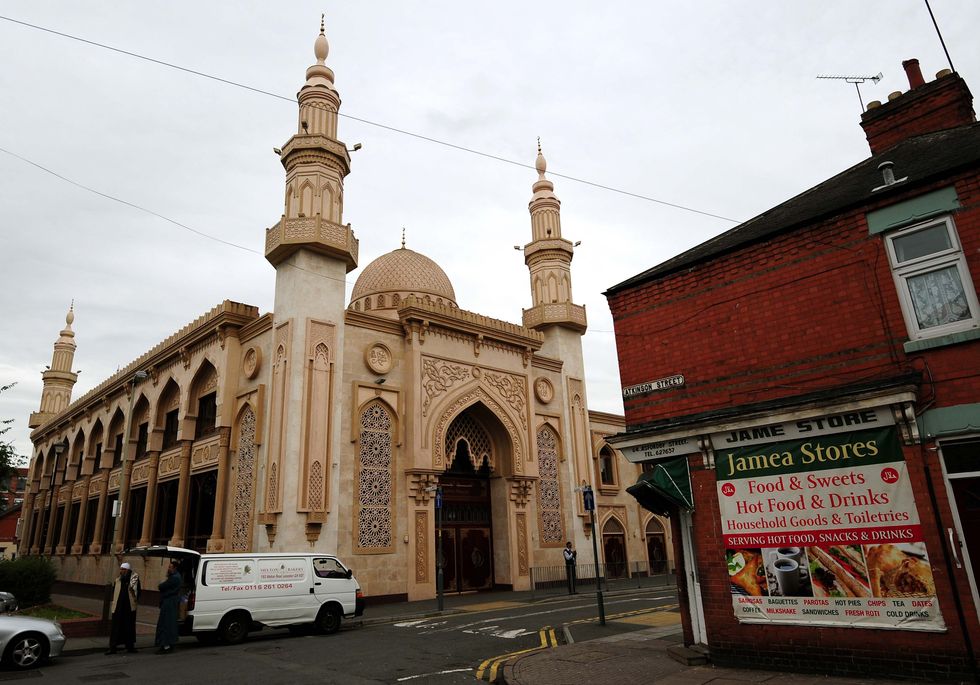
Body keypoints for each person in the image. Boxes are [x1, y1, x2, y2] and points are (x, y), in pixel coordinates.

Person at [106, 562, 140, 655]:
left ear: (128, 570)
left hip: (129, 608)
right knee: (116, 627)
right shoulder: (117, 580)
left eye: (123, 569)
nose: (121, 571)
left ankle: (130, 646)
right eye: (121, 569)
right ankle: (113, 648)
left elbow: (137, 591)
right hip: (118, 607)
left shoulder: (134, 578)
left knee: (129, 627)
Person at [155, 560, 182, 654]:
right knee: (169, 623)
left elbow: (162, 586)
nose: (168, 569)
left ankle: (166, 645)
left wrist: (161, 585)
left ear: (175, 568)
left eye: (170, 567)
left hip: (169, 602)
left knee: (166, 623)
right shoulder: (174, 577)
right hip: (170, 601)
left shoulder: (174, 578)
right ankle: (168, 644)